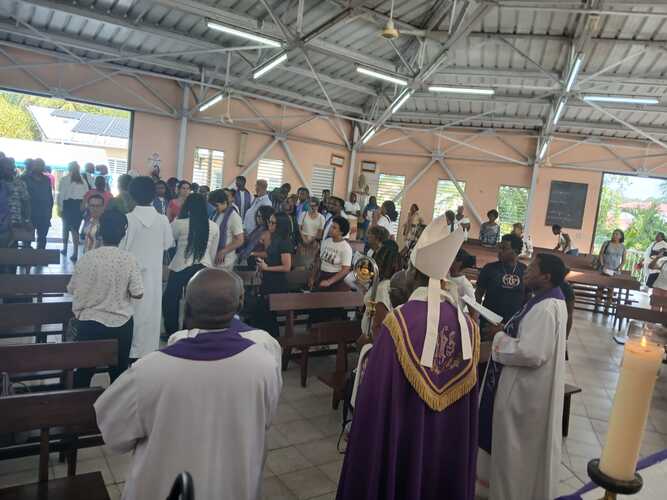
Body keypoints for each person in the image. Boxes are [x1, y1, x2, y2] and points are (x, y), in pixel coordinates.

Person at [94, 268, 282, 500]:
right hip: (233, 484)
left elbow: (114, 434)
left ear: (188, 307)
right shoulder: (264, 363)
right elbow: (265, 418)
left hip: (167, 486)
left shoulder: (148, 370)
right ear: (239, 305)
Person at [337, 221, 479, 500]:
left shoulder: (400, 322)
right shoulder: (467, 328)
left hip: (405, 433)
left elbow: (376, 393)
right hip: (446, 437)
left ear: (413, 273)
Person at [477, 253, 568, 500]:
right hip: (526, 388)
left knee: (514, 453)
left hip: (523, 394)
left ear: (546, 277)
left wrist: (499, 336)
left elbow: (532, 352)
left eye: (533, 268)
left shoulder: (546, 308)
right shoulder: (545, 300)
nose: (526, 271)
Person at [68, 210, 144, 387]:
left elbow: (72, 288)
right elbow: (138, 293)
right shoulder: (129, 259)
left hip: (89, 324)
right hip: (120, 325)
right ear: (123, 233)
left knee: (84, 372)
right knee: (119, 373)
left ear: (100, 231)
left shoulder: (87, 258)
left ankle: (77, 400)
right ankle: (115, 402)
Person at [119, 177, 174, 359]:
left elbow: (122, 248)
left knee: (131, 314)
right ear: (153, 195)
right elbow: (167, 244)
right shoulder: (163, 220)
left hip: (130, 277)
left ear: (131, 195)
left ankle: (130, 352)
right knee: (151, 313)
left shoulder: (128, 219)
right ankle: (148, 353)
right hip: (153, 277)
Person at [163, 194, 220, 336]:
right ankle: (191, 332)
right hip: (203, 268)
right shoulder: (214, 226)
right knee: (196, 302)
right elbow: (213, 252)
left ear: (187, 206)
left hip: (180, 266)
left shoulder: (179, 223)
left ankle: (172, 332)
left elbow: (168, 242)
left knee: (170, 299)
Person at [251, 212, 294, 337]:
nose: (269, 224)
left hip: (277, 284)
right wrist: (261, 265)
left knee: (267, 315)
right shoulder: (274, 238)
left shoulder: (284, 241)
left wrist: (267, 268)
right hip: (267, 280)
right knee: (262, 315)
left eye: (272, 222)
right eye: (269, 221)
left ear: (280, 225)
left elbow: (287, 267)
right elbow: (270, 256)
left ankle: (273, 340)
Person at [475, 233, 527, 335]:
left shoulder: (524, 270)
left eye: (504, 248)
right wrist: (475, 316)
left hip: (513, 325)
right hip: (488, 322)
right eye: (499, 247)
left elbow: (528, 298)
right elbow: (478, 294)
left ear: (516, 251)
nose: (499, 251)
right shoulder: (489, 268)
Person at [360, 240, 402, 340]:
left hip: (372, 339)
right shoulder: (386, 283)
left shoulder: (382, 288)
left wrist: (368, 340)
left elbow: (379, 325)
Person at [58, 161, 88, 262]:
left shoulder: (65, 179)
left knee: (65, 228)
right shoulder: (82, 180)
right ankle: (75, 252)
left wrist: (60, 208)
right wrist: (84, 206)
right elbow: (86, 194)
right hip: (79, 205)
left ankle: (65, 248)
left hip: (68, 205)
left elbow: (61, 195)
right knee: (75, 229)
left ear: (69, 168)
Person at [207, 189, 244, 269]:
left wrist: (223, 251)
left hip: (225, 260)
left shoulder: (234, 216)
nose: (214, 208)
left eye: (216, 205)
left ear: (224, 202)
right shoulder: (215, 214)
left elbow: (240, 240)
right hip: (211, 256)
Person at [314, 216, 353, 290]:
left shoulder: (346, 248)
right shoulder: (326, 241)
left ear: (341, 232)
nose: (330, 229)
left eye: (334, 228)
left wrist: (329, 281)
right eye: (331, 226)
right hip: (321, 275)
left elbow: (345, 270)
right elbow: (319, 260)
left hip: (335, 280)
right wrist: (313, 276)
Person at [22, 158, 53, 249]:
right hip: (29, 214)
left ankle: (40, 257)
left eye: (41, 165)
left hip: (44, 214)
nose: (39, 167)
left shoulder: (47, 179)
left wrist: (49, 212)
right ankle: (26, 257)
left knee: (42, 239)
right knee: (26, 240)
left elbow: (49, 196)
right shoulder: (25, 178)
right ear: (33, 166)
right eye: (37, 165)